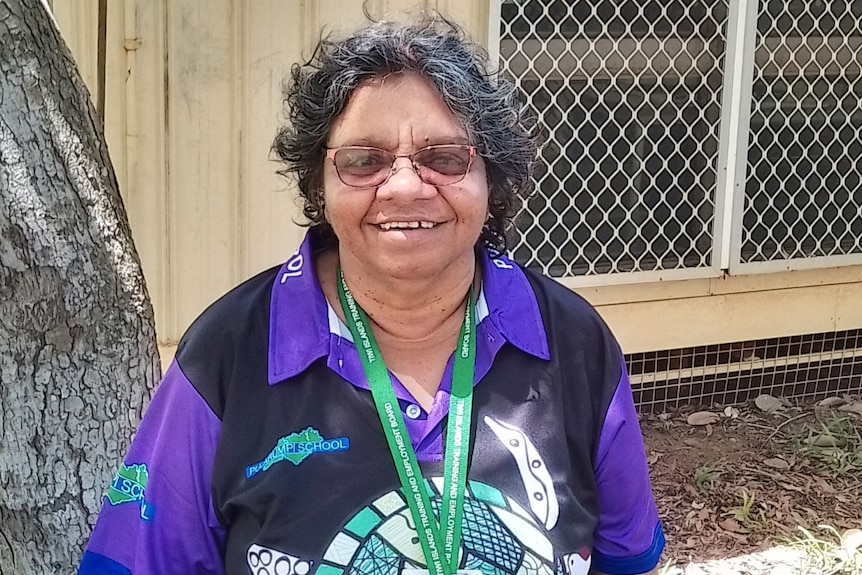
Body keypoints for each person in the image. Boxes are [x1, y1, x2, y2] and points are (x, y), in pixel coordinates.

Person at [79, 16, 665, 575]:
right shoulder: (230, 353)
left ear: (491, 176)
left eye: (445, 158)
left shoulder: (571, 338)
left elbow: (625, 557)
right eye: (364, 160)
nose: (407, 186)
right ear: (320, 183)